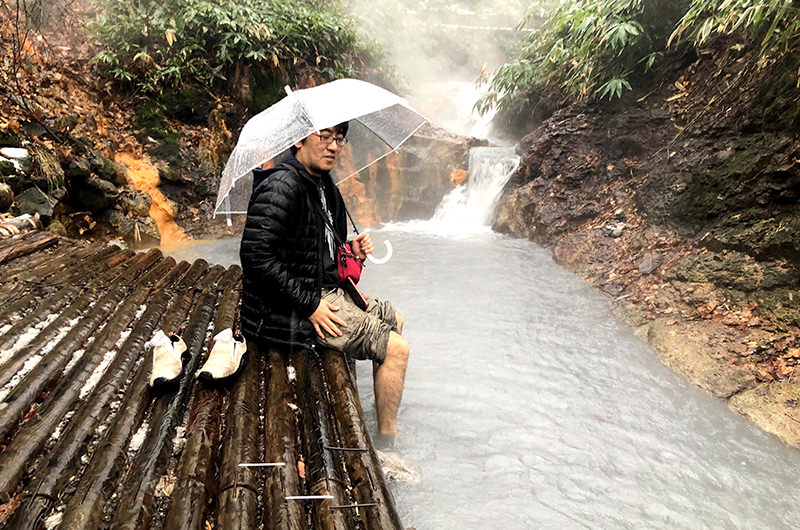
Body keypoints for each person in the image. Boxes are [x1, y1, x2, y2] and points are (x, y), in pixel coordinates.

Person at [239, 123, 410, 435]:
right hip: (283, 311)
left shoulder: (320, 182)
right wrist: (309, 306)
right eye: (325, 136)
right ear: (299, 139)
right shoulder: (281, 186)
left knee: (395, 319)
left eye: (339, 139)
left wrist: (350, 251)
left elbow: (315, 248)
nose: (334, 146)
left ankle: (378, 412)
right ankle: (388, 442)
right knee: (397, 349)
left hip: (322, 289)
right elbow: (255, 257)